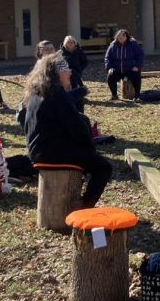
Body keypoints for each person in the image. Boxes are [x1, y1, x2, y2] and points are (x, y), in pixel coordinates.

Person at [23, 54, 112, 209]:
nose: (70, 73)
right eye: (66, 69)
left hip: (37, 149)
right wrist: (90, 148)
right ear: (57, 73)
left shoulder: (37, 91)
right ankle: (85, 207)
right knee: (104, 167)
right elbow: (77, 127)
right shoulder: (57, 94)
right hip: (51, 152)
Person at [104, 29, 144, 102]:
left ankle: (137, 95)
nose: (120, 37)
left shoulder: (133, 44)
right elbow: (108, 57)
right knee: (110, 78)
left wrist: (137, 66)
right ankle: (114, 95)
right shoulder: (113, 45)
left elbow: (140, 54)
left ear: (126, 37)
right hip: (117, 69)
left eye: (122, 35)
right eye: (119, 35)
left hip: (130, 68)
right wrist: (109, 67)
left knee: (136, 77)